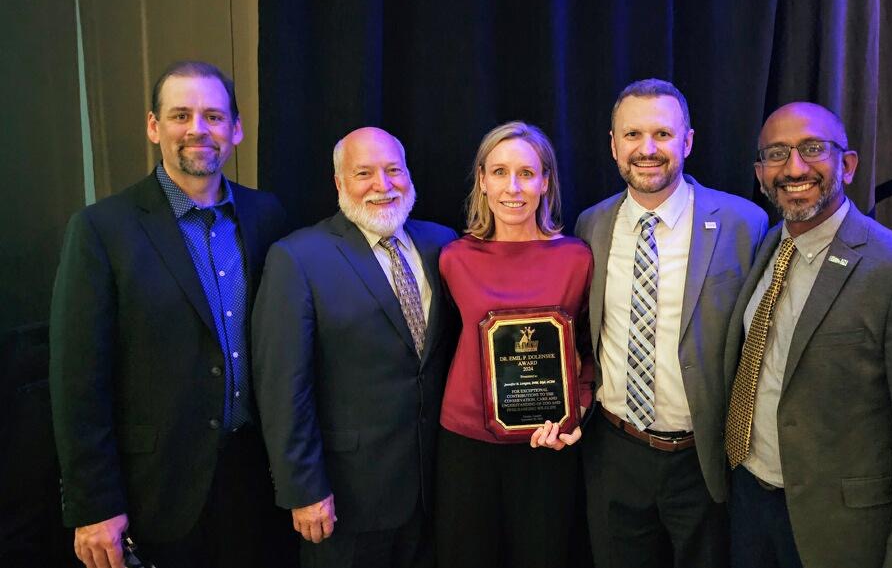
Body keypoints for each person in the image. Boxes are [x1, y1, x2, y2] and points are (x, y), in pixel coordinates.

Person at [49, 60, 293, 568]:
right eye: (181, 115)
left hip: (257, 481)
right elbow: (78, 380)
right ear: (154, 126)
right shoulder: (102, 230)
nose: (198, 130)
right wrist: (94, 506)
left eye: (213, 116)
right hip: (156, 489)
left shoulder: (266, 214)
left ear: (236, 129)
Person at [723, 101, 892, 568]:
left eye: (812, 149)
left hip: (840, 531)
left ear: (847, 165)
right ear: (760, 174)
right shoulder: (768, 248)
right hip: (751, 504)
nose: (794, 167)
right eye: (776, 154)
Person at [575, 78, 768, 568]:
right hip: (614, 451)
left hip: (702, 458)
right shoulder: (590, 225)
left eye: (662, 134)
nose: (647, 149)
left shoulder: (744, 223)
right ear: (614, 144)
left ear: (687, 141)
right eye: (633, 135)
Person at [252, 127, 457, 568]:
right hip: (346, 501)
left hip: (436, 494)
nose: (382, 186)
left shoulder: (444, 244)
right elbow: (283, 388)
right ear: (339, 183)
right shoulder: (297, 258)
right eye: (364, 173)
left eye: (393, 170)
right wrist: (303, 490)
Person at [433, 121, 594, 567]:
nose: (514, 187)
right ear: (482, 181)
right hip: (466, 446)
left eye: (527, 173)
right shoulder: (453, 258)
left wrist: (576, 410)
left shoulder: (577, 258)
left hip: (545, 442)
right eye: (500, 172)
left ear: (545, 182)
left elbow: (588, 347)